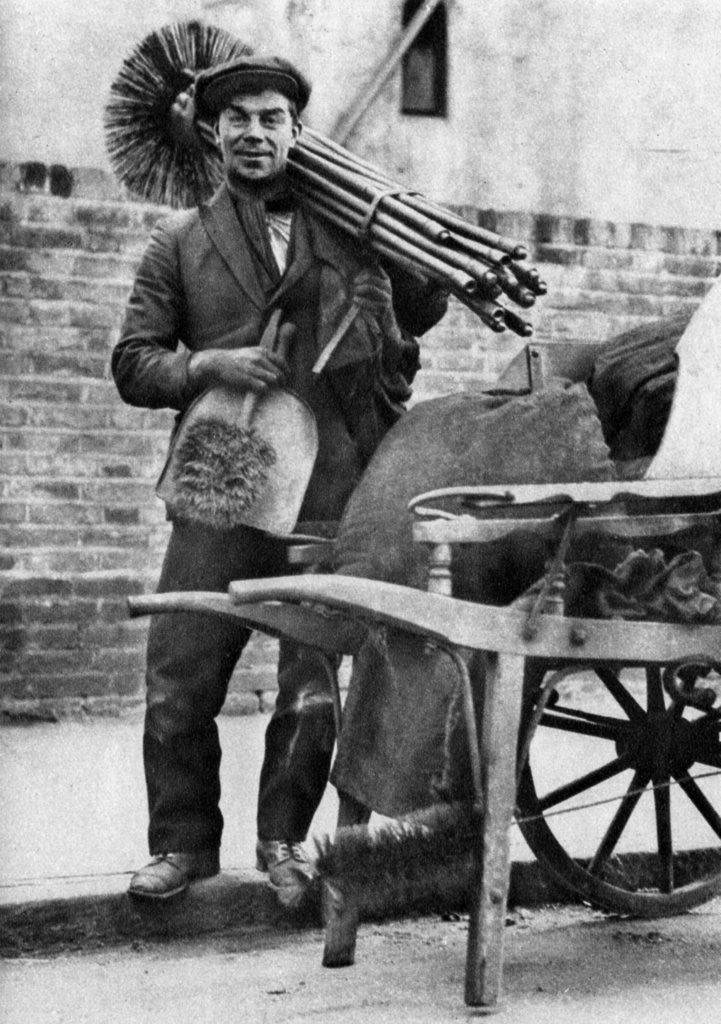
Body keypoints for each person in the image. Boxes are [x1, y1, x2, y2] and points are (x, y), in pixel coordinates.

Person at [112, 55, 447, 906]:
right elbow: (133, 365)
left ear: (297, 130)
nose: (255, 134)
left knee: (308, 681)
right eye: (239, 121)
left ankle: (285, 843)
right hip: (224, 480)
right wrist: (211, 363)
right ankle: (181, 846)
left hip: (333, 484)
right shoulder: (181, 242)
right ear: (213, 134)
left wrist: (396, 249)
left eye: (272, 118)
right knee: (181, 670)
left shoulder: (349, 225)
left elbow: (423, 310)